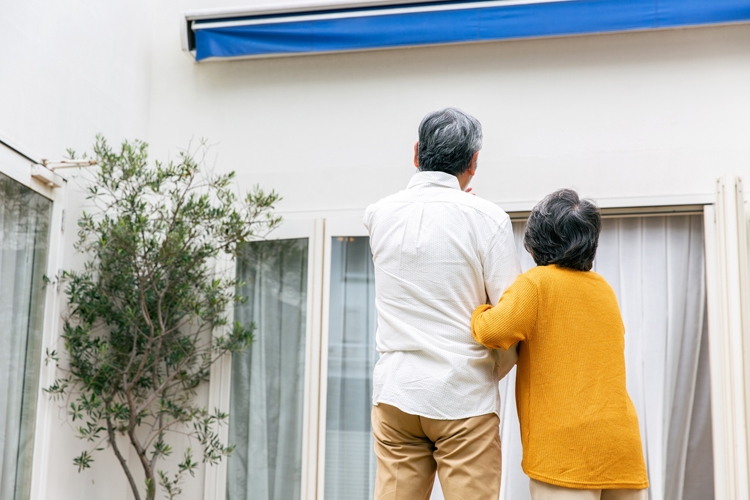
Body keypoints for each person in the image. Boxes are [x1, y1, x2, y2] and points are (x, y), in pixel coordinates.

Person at [363, 107, 521, 500]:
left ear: (416, 154)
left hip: (396, 393)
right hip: (463, 396)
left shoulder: (378, 215)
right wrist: (490, 372)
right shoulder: (488, 218)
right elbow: (512, 316)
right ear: (473, 162)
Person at [471, 189, 649, 500]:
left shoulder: (537, 284)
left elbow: (492, 331)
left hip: (568, 450)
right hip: (621, 443)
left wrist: (479, 309)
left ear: (536, 238)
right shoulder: (603, 289)